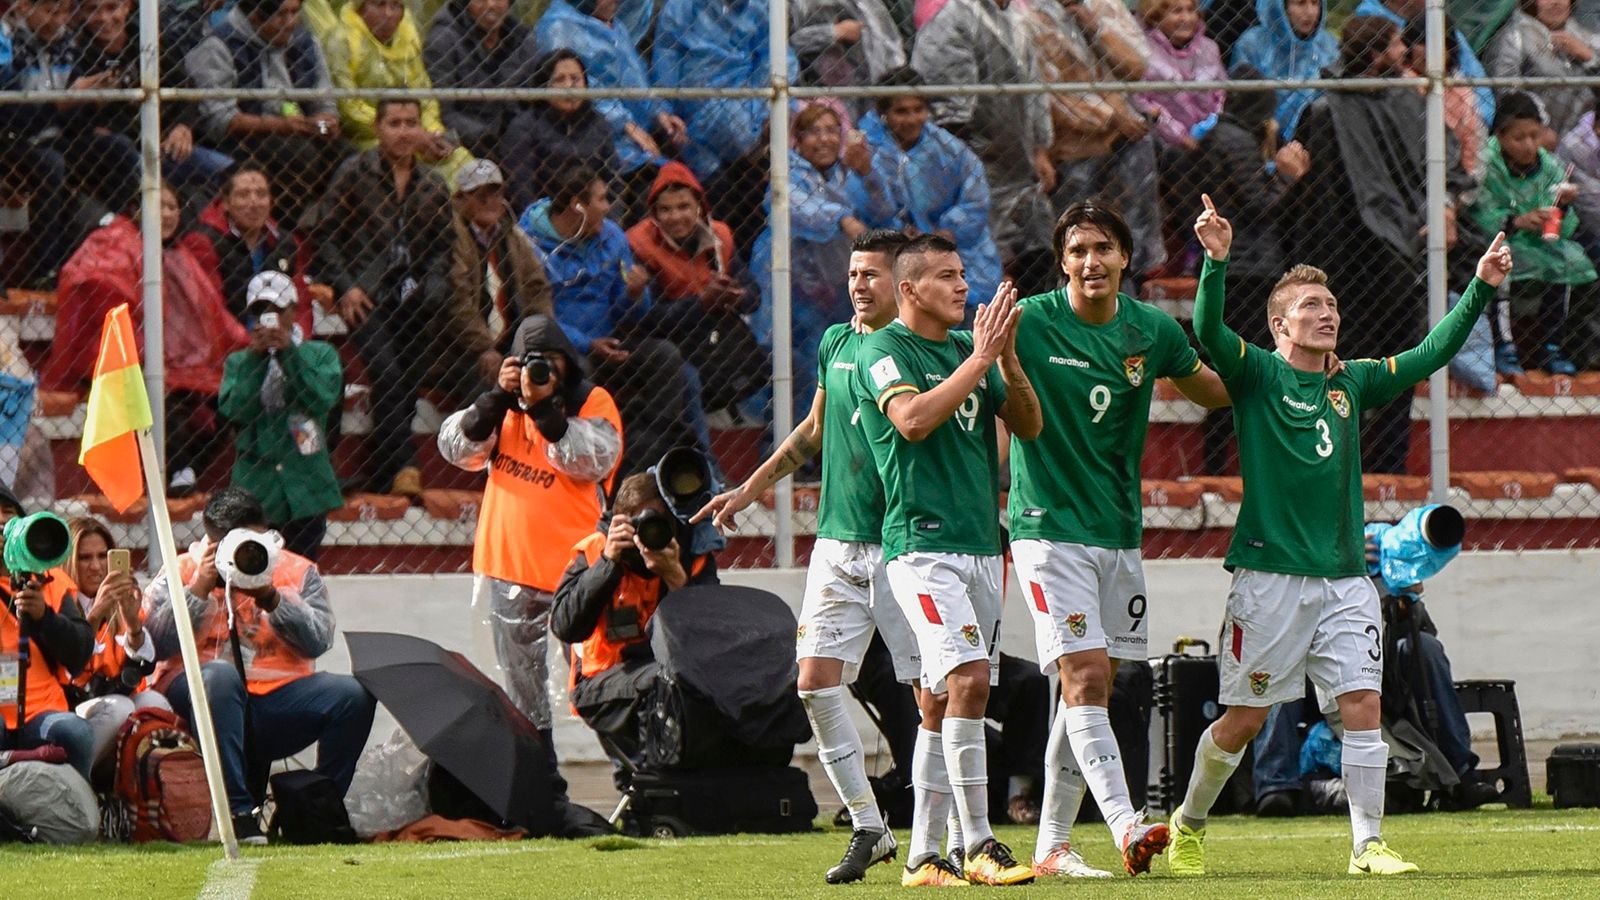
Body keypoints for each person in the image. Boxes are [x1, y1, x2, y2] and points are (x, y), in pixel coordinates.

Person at [1165, 195, 1510, 877]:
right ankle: (1188, 823)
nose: (1328, 315)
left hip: (1348, 576)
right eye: (1312, 307)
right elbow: (1206, 326)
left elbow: (1430, 352)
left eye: (1332, 306)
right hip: (1269, 580)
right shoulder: (1257, 373)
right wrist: (1215, 261)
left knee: (1362, 703)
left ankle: (1367, 845)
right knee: (1245, 721)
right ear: (1278, 325)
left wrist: (1481, 286)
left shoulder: (1351, 381)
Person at [1008, 202, 1229, 879]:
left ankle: (1051, 847)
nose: (1090, 262)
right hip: (1047, 529)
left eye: (1102, 248)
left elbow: (1215, 393)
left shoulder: (1151, 330)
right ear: (1062, 262)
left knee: (1093, 687)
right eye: (1076, 251)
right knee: (1082, 675)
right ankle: (1126, 823)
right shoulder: (1030, 322)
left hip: (1116, 532)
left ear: (1126, 257)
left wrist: (1287, 370)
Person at [694, 230, 920, 884]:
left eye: (871, 274)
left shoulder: (916, 352)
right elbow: (816, 429)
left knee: (931, 696)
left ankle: (956, 836)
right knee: (816, 684)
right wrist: (749, 488)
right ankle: (869, 826)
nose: (857, 284)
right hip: (838, 542)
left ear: (901, 284)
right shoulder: (835, 343)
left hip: (904, 545)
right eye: (853, 273)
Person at [854, 234, 1042, 886]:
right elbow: (910, 420)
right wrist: (981, 359)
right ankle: (980, 844)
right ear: (909, 291)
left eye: (964, 274)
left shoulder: (970, 349)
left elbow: (1029, 423)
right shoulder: (884, 349)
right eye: (946, 277)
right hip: (922, 547)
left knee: (939, 702)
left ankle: (921, 858)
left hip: (981, 546)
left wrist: (1007, 361)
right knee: (969, 682)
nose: (963, 286)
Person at [437, 313, 623, 795]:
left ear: (568, 362)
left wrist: (545, 410)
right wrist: (498, 398)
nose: (542, 372)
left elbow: (592, 460)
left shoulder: (592, 401)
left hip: (578, 572)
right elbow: (457, 449)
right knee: (521, 692)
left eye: (551, 363)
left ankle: (636, 769)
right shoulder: (502, 404)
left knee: (597, 678)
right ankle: (540, 783)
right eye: (530, 363)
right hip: (508, 567)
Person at [1282, 16, 1473, 474]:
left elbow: (1446, 167)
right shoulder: (1329, 110)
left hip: (1380, 263)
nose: (1405, 54)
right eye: (1395, 46)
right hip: (1358, 262)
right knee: (1346, 370)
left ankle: (1383, 468)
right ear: (1374, 55)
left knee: (1388, 371)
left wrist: (1442, 207)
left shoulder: (1407, 103)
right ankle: (1354, 465)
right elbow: (1307, 184)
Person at [146, 487, 376, 846]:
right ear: (210, 540)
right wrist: (199, 589)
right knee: (220, 677)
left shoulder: (296, 570)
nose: (243, 554)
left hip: (277, 700)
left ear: (266, 534)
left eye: (253, 543)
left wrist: (271, 596)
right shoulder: (183, 569)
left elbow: (318, 640)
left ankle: (313, 807)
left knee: (352, 695)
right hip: (200, 697)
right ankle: (238, 813)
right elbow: (155, 644)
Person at [43, 184, 249, 496]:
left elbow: (212, 316)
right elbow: (99, 297)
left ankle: (185, 472)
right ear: (136, 210)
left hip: (179, 365)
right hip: (124, 362)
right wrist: (143, 354)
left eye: (172, 207)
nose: (165, 214)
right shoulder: (112, 243)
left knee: (229, 395)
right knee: (161, 395)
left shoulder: (182, 255)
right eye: (158, 205)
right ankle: (176, 475)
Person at [519, 164, 706, 476]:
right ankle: (581, 467)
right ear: (578, 205)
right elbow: (535, 314)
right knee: (580, 372)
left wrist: (635, 294)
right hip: (561, 347)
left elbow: (629, 313)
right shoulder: (529, 243)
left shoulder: (612, 236)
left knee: (666, 358)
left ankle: (644, 462)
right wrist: (586, 343)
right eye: (602, 199)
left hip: (610, 341)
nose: (608, 207)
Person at [311, 98, 454, 497]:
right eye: (395, 123)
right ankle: (404, 464)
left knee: (407, 381)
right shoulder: (355, 172)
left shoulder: (434, 184)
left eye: (412, 123)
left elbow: (445, 248)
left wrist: (435, 286)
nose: (404, 131)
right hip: (365, 295)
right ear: (377, 128)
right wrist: (346, 286)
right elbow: (326, 235)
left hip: (415, 298)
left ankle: (384, 470)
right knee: (387, 373)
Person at [550, 470, 719, 779]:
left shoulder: (690, 556)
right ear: (622, 524)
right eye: (642, 524)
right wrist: (608, 563)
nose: (650, 534)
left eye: (659, 523)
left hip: (664, 672)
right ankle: (645, 781)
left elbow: (709, 636)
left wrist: (675, 580)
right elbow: (564, 626)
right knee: (665, 681)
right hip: (600, 683)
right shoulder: (593, 551)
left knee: (701, 677)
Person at [1192, 64, 1308, 474]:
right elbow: (1259, 205)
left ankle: (1220, 463)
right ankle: (1220, 464)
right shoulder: (1235, 141)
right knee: (1244, 372)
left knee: (1238, 371)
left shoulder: (1224, 136)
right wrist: (1288, 177)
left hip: (1240, 268)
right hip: (1248, 272)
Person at [753, 104, 897, 417]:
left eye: (832, 131)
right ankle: (795, 450)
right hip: (793, 289)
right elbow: (798, 209)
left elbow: (884, 212)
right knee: (805, 369)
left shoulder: (848, 173)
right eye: (814, 132)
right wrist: (844, 218)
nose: (824, 140)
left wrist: (868, 174)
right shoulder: (785, 173)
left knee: (845, 364)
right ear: (798, 140)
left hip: (838, 288)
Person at [912, 0, 1056, 296]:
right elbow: (951, 113)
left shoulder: (1016, 19)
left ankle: (1031, 328)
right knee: (982, 261)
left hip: (1019, 163)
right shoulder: (954, 18)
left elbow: (1034, 88)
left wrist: (1040, 148)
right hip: (977, 162)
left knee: (1040, 248)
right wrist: (967, 167)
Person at [1025, 0, 1167, 281]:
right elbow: (1051, 96)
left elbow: (1136, 66)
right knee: (1077, 235)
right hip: (1073, 150)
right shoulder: (1032, 22)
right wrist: (1109, 117)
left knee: (1127, 238)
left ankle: (1131, 286)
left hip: (1122, 143)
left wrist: (1094, 26)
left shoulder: (1108, 8)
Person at [624, 162, 769, 416]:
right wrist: (701, 303)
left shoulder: (719, 235)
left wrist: (734, 295)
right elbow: (650, 318)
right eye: (665, 210)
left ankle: (778, 449)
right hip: (674, 343)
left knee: (792, 364)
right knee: (686, 380)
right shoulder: (638, 244)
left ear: (699, 207)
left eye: (684, 207)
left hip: (717, 333)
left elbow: (753, 294)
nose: (676, 216)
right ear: (654, 213)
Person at [184, 0, 345, 228]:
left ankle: (328, 231)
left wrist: (326, 119)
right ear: (255, 14)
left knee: (345, 154)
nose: (290, 22)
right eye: (281, 15)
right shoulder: (219, 45)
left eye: (294, 13)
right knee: (299, 156)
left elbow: (324, 98)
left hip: (300, 127)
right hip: (242, 137)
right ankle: (284, 232)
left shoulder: (305, 41)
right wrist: (280, 126)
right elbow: (221, 120)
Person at [1468, 91, 1596, 377]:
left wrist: (1560, 209)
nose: (1529, 146)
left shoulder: (1550, 167)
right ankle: (1504, 347)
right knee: (1501, 266)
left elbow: (1567, 228)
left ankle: (1552, 346)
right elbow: (1478, 213)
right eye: (1519, 138)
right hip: (1499, 241)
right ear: (1500, 136)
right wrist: (1515, 221)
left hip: (1537, 245)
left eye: (1534, 136)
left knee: (1569, 260)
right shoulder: (1486, 163)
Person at [218, 272, 344, 560]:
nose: (269, 316)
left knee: (301, 574)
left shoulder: (320, 354)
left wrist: (289, 355)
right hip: (257, 488)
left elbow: (321, 398)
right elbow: (236, 410)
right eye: (261, 310)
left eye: (277, 309)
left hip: (305, 484)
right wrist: (255, 359)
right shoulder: (239, 362)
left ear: (294, 311)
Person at [860, 67, 1002, 306]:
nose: (912, 119)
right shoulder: (868, 149)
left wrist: (945, 234)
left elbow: (975, 197)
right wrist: (897, 232)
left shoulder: (947, 149)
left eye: (919, 110)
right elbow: (868, 203)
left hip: (951, 244)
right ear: (883, 114)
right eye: (901, 112)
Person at [68, 0, 232, 200]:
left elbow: (186, 88)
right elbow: (76, 123)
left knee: (226, 169)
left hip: (166, 144)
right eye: (93, 9)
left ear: (127, 6)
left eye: (112, 7)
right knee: (130, 160)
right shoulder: (76, 53)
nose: (103, 18)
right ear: (81, 13)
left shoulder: (148, 40)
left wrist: (183, 126)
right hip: (120, 153)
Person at [537, 0, 688, 210]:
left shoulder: (614, 26)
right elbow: (584, 91)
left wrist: (659, 112)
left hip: (635, 134)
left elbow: (634, 77)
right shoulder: (561, 27)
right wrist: (626, 125)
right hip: (590, 133)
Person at [63, 516, 172, 774]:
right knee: (119, 708)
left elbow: (142, 667)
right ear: (69, 562)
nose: (96, 567)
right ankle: (74, 780)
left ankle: (144, 794)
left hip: (114, 698)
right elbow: (67, 662)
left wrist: (133, 623)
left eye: (103, 556)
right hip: (71, 707)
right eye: (85, 558)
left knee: (153, 701)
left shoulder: (124, 600)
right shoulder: (60, 600)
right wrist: (96, 612)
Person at [0, 486, 95, 781]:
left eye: (8, 514)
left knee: (76, 733)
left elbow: (80, 652)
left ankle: (77, 815)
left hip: (41, 713)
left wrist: (45, 617)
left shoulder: (52, 581)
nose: (1, 523)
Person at [441, 160, 554, 407]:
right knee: (486, 384)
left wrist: (537, 342)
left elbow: (538, 288)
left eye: (496, 194)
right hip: (462, 350)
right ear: (459, 199)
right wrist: (483, 347)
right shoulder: (452, 236)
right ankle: (474, 444)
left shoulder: (512, 235)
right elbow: (456, 298)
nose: (490, 202)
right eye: (479, 196)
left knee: (565, 370)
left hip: (512, 343)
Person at [324, 0, 472, 183]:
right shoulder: (342, 40)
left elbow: (424, 95)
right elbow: (349, 107)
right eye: (379, 5)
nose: (388, 14)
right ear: (361, 8)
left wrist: (431, 133)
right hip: (369, 135)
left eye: (396, 6)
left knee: (462, 161)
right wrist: (406, 134)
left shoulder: (407, 37)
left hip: (416, 132)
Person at [650, 0, 797, 182]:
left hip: (745, 101)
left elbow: (774, 58)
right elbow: (666, 58)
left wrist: (761, 107)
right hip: (693, 110)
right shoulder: (683, 6)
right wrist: (664, 107)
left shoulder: (759, 7)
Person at [180, 163, 313, 328]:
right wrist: (252, 346)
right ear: (226, 202)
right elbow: (212, 308)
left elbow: (301, 303)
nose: (254, 202)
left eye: (261, 194)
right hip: (232, 344)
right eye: (243, 195)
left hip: (281, 340)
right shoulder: (204, 241)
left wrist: (296, 343)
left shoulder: (287, 242)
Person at [502, 49, 622, 213]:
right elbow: (522, 192)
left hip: (595, 219)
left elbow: (613, 183)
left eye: (575, 79)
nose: (569, 87)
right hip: (544, 220)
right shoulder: (524, 127)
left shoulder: (598, 124)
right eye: (559, 80)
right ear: (544, 85)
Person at [422, 0, 540, 161]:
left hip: (517, 137)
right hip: (464, 138)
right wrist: (486, 136)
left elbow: (537, 102)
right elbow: (444, 112)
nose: (491, 4)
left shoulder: (523, 39)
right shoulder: (443, 39)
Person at [1358, 0, 1493, 126]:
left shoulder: (1438, 20)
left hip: (1465, 122)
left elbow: (1480, 86)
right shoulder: (1369, 21)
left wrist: (1472, 121)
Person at [1488, 0, 1600, 140]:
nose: (1556, 2)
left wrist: (1589, 57)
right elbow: (1505, 92)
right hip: (1533, 141)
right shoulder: (1515, 36)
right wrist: (1538, 126)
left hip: (1585, 144)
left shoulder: (1586, 38)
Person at [1231, 0, 1338, 140]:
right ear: (1281, 7)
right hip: (1261, 139)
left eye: (1315, 3)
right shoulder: (1252, 44)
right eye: (1300, 3)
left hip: (1314, 138)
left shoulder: (1328, 47)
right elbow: (1242, 103)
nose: (1310, 12)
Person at [1138, 0, 1226, 158]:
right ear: (1156, 17)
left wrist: (1215, 127)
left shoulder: (1209, 48)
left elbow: (1221, 93)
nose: (1186, 18)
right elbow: (1142, 102)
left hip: (1214, 138)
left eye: (1191, 10)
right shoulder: (1142, 51)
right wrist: (1181, 136)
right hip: (1165, 146)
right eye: (1177, 11)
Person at [791, 0, 908, 106]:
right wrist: (834, 33)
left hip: (875, 84)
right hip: (826, 90)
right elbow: (789, 43)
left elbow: (888, 38)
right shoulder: (803, 4)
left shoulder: (871, 3)